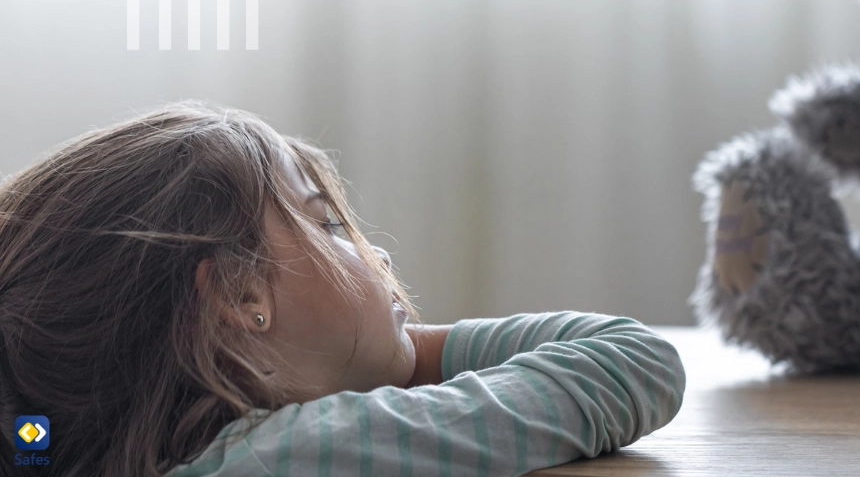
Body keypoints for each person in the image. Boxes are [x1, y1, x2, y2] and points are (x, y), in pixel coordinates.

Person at [0, 100, 686, 476]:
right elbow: (631, 362)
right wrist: (416, 353)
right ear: (242, 298)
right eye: (326, 224)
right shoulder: (296, 455)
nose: (373, 251)